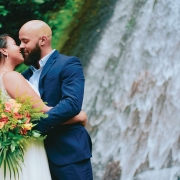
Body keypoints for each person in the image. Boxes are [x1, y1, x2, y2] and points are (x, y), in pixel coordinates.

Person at [0, 34, 88, 179]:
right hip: (28, 150)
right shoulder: (11, 77)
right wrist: (79, 117)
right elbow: (40, 113)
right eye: (15, 44)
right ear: (4, 50)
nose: (20, 47)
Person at [19, 20, 93, 180]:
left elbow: (71, 104)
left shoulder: (68, 64)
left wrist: (34, 126)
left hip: (68, 153)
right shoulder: (23, 77)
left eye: (25, 41)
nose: (20, 46)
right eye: (19, 41)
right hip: (35, 158)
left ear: (43, 40)